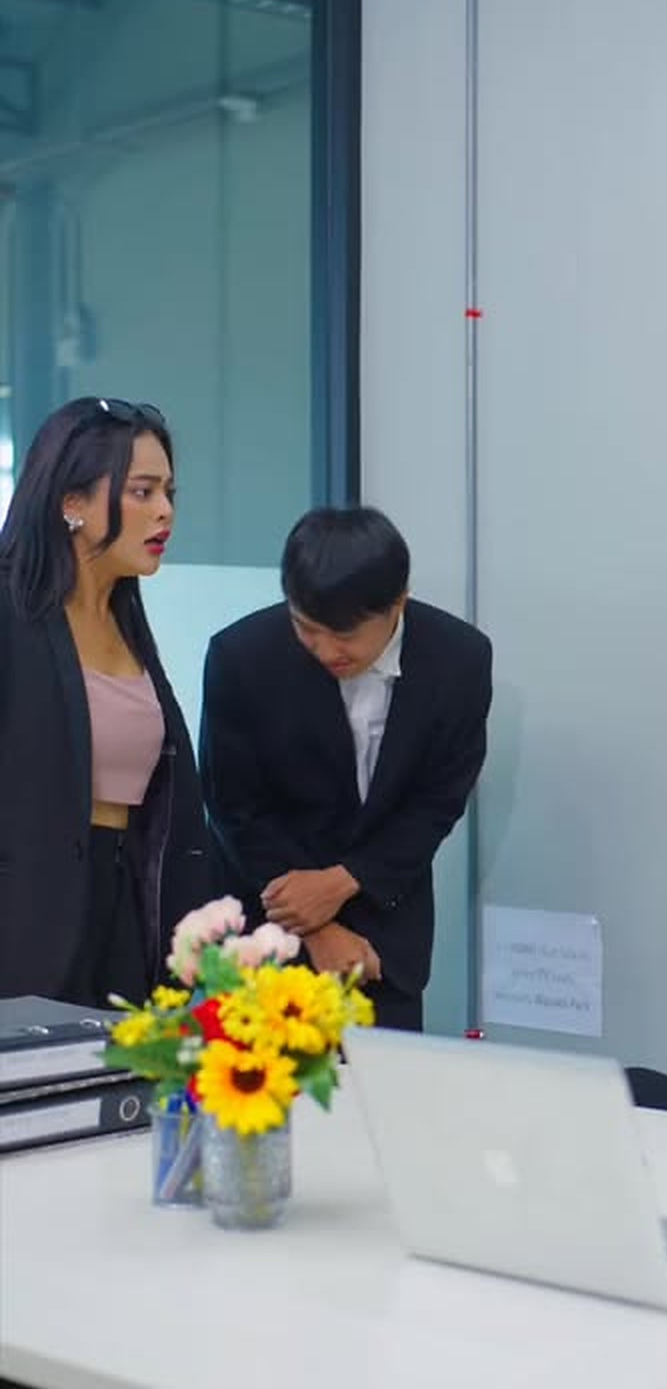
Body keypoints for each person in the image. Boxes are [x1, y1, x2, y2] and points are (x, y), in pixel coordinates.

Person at [199, 506, 493, 1031]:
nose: (327, 650)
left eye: (346, 634)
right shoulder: (243, 656)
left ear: (398, 602)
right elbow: (234, 806)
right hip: (264, 939)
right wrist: (313, 925)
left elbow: (438, 799)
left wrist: (345, 881)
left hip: (383, 943)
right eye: (307, 629)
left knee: (385, 1082)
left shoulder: (459, 659)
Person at [0, 397, 209, 1005]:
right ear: (72, 504)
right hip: (27, 922)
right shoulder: (11, 613)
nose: (165, 511)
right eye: (142, 492)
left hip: (125, 912)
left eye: (169, 492)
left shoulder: (126, 619)